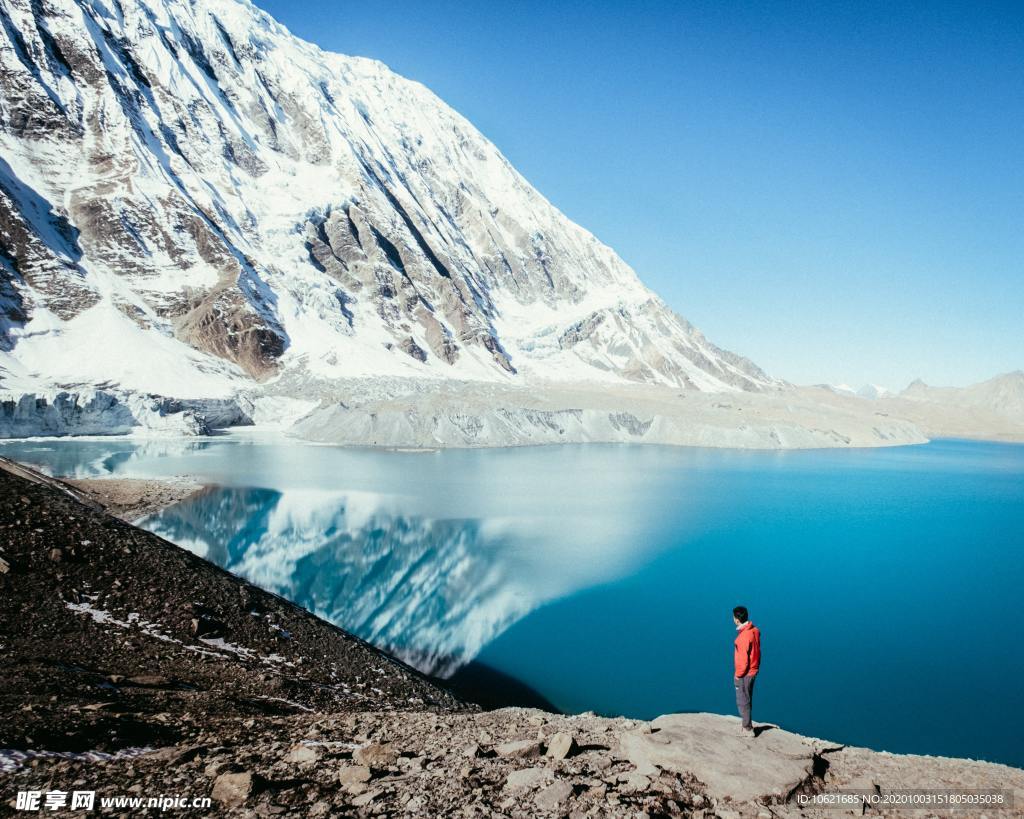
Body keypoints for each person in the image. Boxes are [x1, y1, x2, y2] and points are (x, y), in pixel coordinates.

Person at [732, 605, 761, 736]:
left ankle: (747, 729)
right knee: (747, 698)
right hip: (753, 670)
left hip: (745, 674)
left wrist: (738, 675)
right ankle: (747, 724)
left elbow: (743, 662)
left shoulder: (743, 638)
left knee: (743, 700)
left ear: (737, 620)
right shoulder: (754, 630)